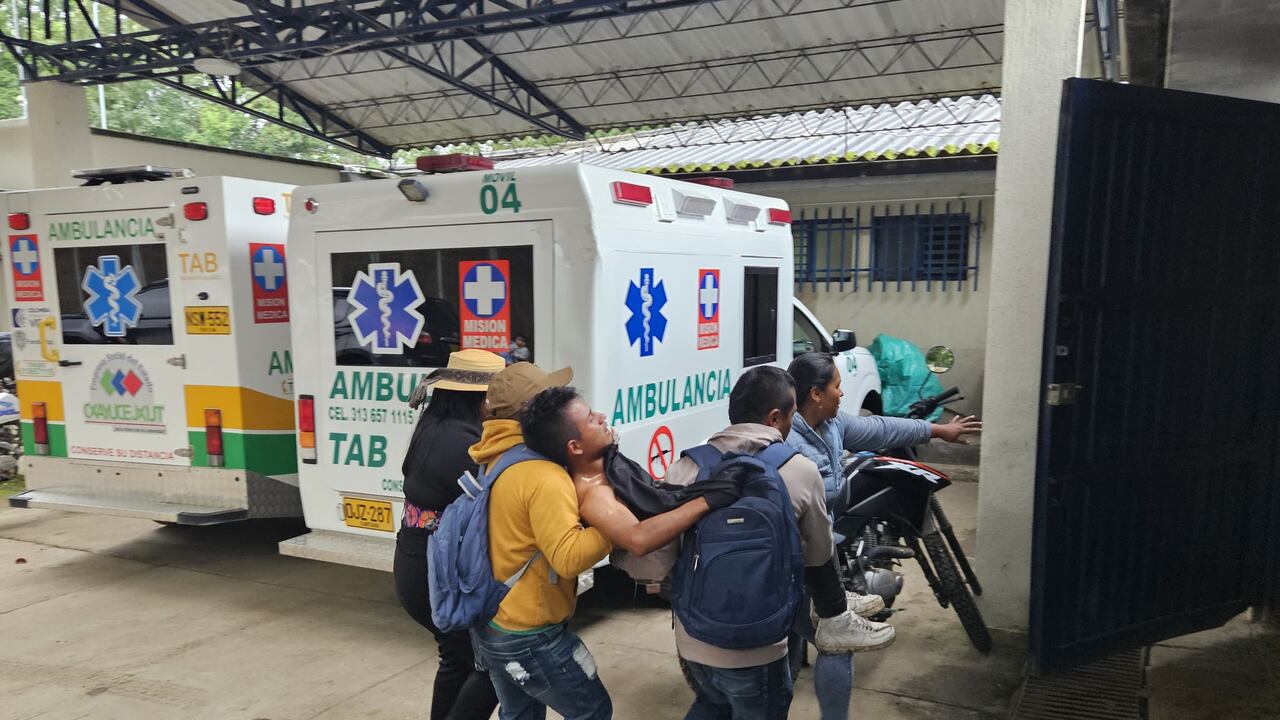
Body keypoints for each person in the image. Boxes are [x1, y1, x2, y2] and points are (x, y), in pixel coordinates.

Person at [658, 366, 895, 720]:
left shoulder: (686, 468)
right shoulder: (798, 470)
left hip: (693, 638)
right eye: (789, 417)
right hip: (759, 648)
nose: (790, 426)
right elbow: (818, 556)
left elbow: (656, 562)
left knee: (712, 703)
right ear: (774, 417)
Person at [785, 351, 983, 720]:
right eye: (837, 387)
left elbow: (881, 429)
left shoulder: (832, 425)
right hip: (796, 564)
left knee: (794, 636)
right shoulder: (788, 443)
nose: (842, 394)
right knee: (837, 643)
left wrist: (940, 430)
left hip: (816, 556)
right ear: (816, 394)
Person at [468, 362, 614, 720]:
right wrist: (613, 523)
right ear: (531, 411)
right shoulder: (542, 474)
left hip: (491, 623)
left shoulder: (493, 458)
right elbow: (567, 557)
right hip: (530, 633)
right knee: (593, 710)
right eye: (548, 397)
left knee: (520, 715)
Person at [393, 349, 505, 720]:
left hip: (416, 562)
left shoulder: (434, 426)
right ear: (482, 399)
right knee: (493, 664)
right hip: (436, 573)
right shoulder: (463, 444)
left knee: (457, 660)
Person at [519, 386, 743, 559]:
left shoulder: (606, 461)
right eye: (591, 419)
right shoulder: (593, 493)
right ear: (575, 447)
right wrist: (707, 501)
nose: (602, 416)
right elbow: (638, 539)